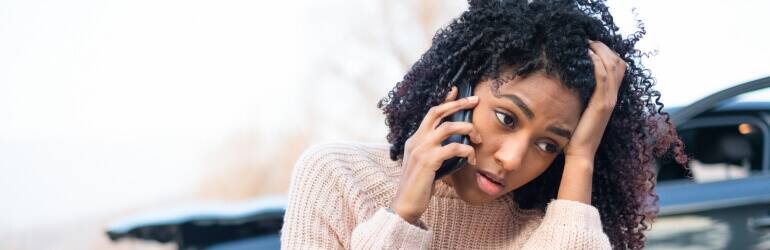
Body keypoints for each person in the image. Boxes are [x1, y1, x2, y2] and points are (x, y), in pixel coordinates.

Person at [280, 0, 687, 249]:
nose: (511, 159)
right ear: (456, 89)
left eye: (549, 145)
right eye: (506, 118)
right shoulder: (336, 176)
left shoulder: (554, 226)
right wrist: (402, 214)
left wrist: (581, 157)